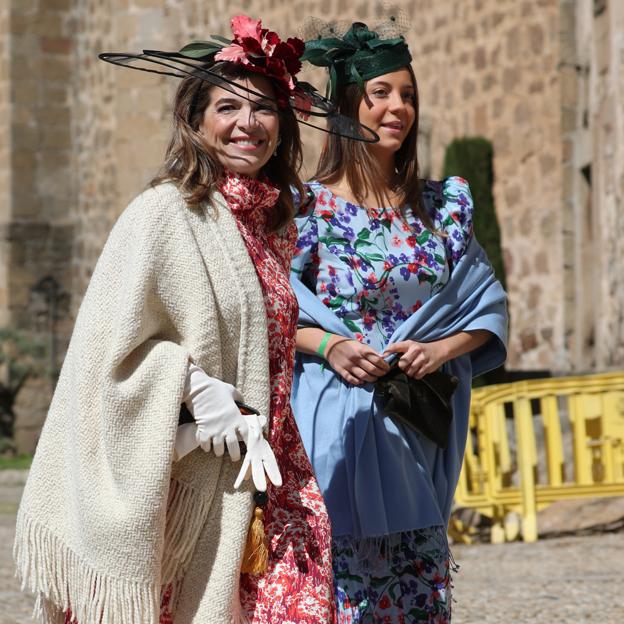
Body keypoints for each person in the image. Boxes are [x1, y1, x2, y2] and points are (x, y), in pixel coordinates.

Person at [14, 16, 337, 624]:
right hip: (188, 483)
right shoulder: (163, 213)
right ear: (194, 120)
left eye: (265, 109)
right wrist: (194, 390)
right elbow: (106, 353)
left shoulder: (271, 227)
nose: (248, 123)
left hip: (273, 473)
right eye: (228, 107)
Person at [290, 19, 509, 623]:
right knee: (339, 583)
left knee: (416, 579)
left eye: (408, 95)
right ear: (346, 106)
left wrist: (440, 351)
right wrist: (330, 344)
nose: (398, 107)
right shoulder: (305, 209)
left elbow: (486, 304)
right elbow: (270, 310)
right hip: (333, 423)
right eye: (380, 93)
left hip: (415, 420)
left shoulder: (443, 207)